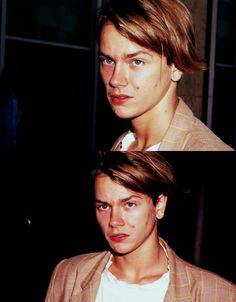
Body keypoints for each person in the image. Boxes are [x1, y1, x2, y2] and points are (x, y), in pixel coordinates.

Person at [44, 151, 236, 302]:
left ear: (159, 205)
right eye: (103, 206)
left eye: (129, 204)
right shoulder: (69, 274)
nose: (114, 221)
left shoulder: (218, 293)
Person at [96, 0, 234, 151]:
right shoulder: (124, 143)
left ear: (176, 67)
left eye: (137, 61)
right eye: (108, 60)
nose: (115, 80)